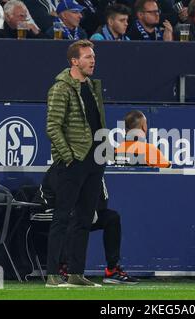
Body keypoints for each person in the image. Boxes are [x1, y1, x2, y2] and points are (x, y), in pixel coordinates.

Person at [45, 40, 106, 288]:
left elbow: (96, 122)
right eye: (87, 57)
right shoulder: (60, 89)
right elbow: (53, 126)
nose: (93, 60)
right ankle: (51, 274)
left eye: (93, 56)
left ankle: (76, 273)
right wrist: (69, 157)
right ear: (74, 61)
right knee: (62, 217)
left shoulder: (92, 86)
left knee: (84, 219)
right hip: (73, 161)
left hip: (94, 160)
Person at [35, 164, 139, 285]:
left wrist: (92, 210)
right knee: (70, 218)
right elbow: (62, 199)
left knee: (111, 218)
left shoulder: (94, 169)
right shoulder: (62, 168)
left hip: (78, 212)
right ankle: (64, 268)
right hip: (49, 210)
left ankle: (112, 270)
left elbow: (102, 198)